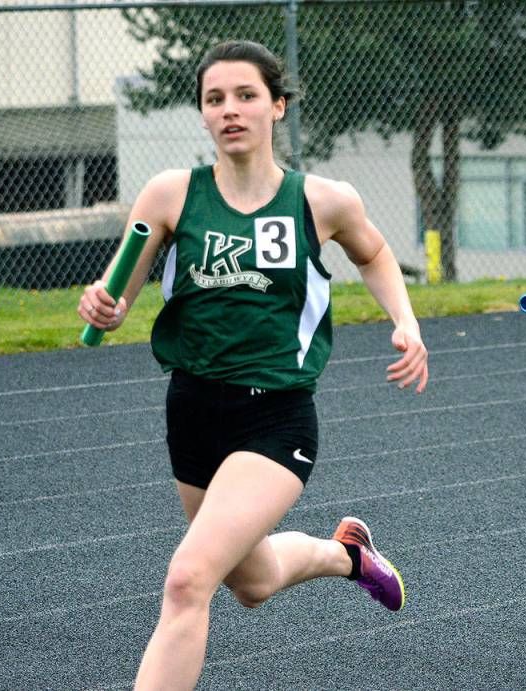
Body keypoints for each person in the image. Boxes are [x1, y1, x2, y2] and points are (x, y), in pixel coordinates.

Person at [78, 40, 428, 690]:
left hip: (275, 418)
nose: (230, 110)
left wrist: (404, 321)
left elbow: (376, 254)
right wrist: (103, 306)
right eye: (215, 99)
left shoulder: (323, 200)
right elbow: (117, 296)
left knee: (188, 577)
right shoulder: (170, 195)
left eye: (245, 95)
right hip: (192, 410)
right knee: (253, 579)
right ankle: (349, 556)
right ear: (204, 114)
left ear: (277, 105)